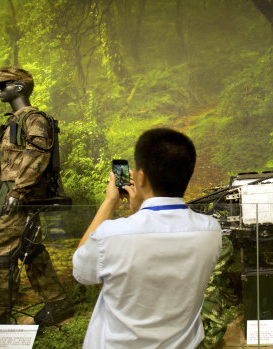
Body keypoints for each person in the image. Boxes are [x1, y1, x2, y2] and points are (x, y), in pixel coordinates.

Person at [72, 128, 222, 349]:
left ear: (140, 177)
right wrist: (141, 212)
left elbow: (82, 271)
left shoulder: (111, 235)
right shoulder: (211, 230)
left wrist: (110, 202)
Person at [0, 66, 72, 349]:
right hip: (16, 197)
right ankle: (58, 303)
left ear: (20, 87)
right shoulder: (17, 120)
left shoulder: (33, 119)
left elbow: (37, 156)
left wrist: (18, 191)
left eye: (4, 85)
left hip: (22, 200)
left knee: (0, 256)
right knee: (30, 250)